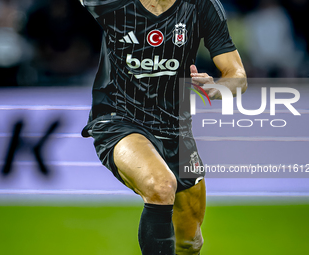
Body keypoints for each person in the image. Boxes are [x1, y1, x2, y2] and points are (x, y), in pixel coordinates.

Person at [79, 0, 247, 254]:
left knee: (189, 242)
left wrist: (217, 88)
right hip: (119, 119)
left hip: (176, 130)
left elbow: (238, 77)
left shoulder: (202, 6)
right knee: (161, 186)